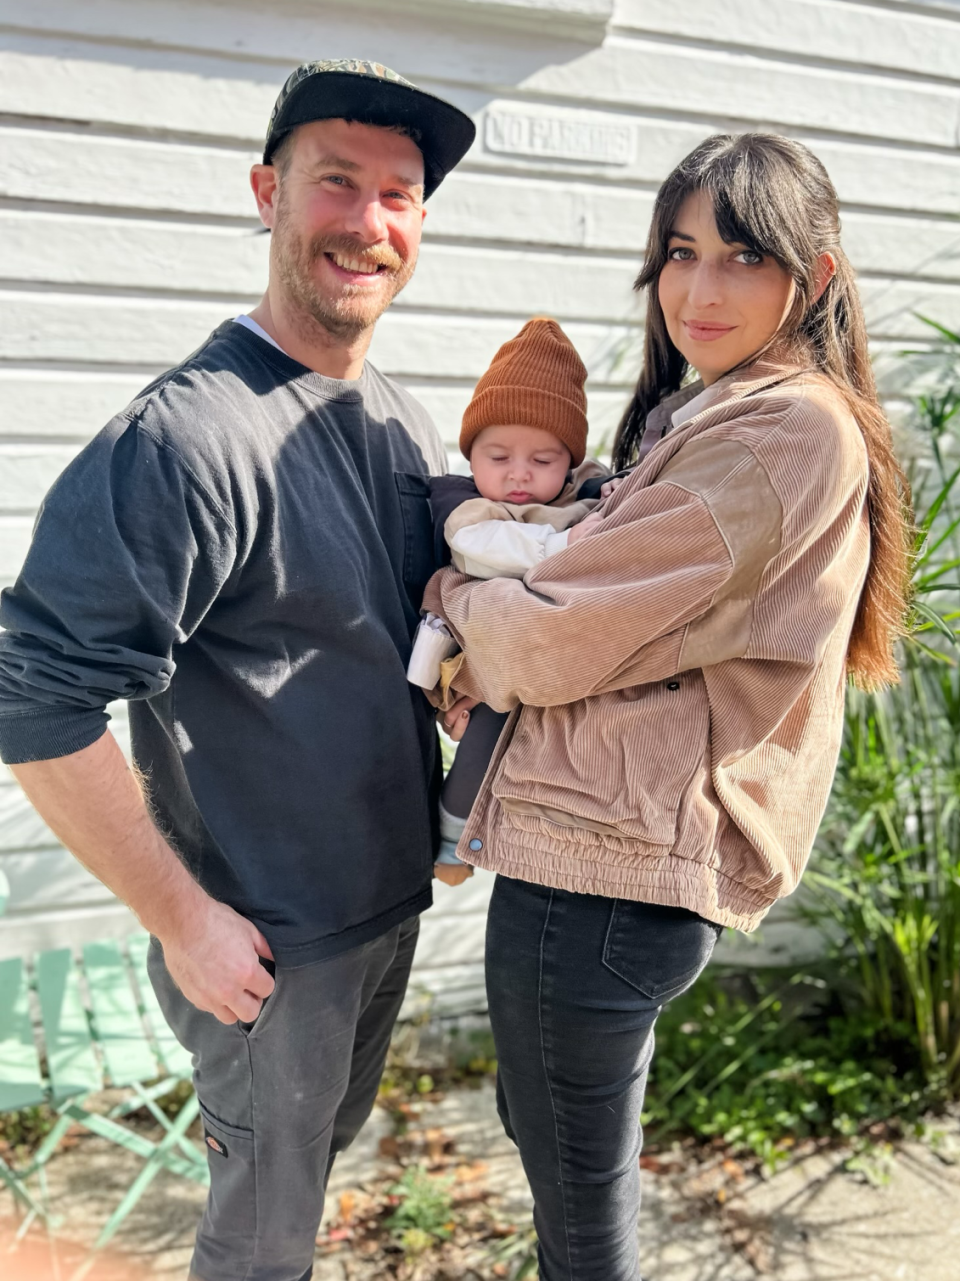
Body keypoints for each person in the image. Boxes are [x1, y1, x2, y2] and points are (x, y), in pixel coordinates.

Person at [0, 60, 475, 1281]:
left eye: (400, 194)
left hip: (383, 911)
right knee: (260, 1248)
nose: (368, 222)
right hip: (271, 951)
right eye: (336, 183)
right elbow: (35, 696)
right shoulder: (185, 438)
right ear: (268, 193)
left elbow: (404, 639)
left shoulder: (398, 424)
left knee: (305, 1194)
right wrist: (179, 918)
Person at [424, 133, 913, 1280]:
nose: (700, 289)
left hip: (606, 876)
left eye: (743, 256)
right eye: (680, 252)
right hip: (604, 865)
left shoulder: (783, 429)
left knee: (581, 1228)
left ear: (818, 277)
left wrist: (451, 600)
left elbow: (543, 636)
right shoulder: (714, 412)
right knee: (562, 1171)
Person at [406, 317, 608, 885]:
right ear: (472, 456)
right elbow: (479, 551)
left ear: (568, 463)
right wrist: (568, 543)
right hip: (470, 653)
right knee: (484, 735)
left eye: (542, 461)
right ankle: (451, 841)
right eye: (499, 457)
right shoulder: (468, 505)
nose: (519, 475)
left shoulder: (584, 494)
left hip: (555, 656)